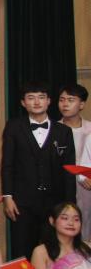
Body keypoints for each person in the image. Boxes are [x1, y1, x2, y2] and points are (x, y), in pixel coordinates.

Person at [1, 82, 76, 259]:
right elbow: (8, 164)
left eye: (41, 97)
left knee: (53, 249)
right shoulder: (14, 127)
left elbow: (69, 171)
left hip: (55, 201)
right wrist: (7, 197)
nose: (36, 102)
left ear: (49, 101)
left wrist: (70, 204)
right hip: (22, 201)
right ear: (23, 102)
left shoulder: (64, 131)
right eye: (31, 98)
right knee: (22, 248)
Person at [57, 85, 91, 240]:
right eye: (62, 100)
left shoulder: (90, 130)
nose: (65, 104)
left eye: (70, 100)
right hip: (62, 186)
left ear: (82, 104)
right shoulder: (53, 130)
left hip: (87, 187)